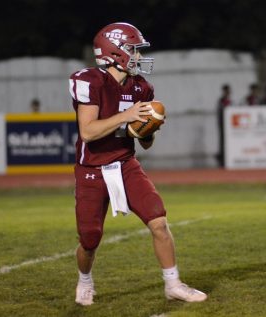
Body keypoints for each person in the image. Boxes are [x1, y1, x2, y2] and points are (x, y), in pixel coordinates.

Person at [68, 22, 207, 306]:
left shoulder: (141, 87)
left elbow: (145, 144)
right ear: (115, 52)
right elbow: (88, 132)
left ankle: (173, 284)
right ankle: (85, 280)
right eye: (133, 50)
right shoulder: (91, 81)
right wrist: (126, 116)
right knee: (90, 239)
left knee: (158, 220)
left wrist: (148, 129)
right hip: (92, 169)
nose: (139, 57)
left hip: (125, 163)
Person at [216, 84, 232, 167]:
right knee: (223, 143)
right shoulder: (221, 101)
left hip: (231, 127)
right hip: (223, 125)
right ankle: (222, 161)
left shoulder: (231, 101)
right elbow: (220, 113)